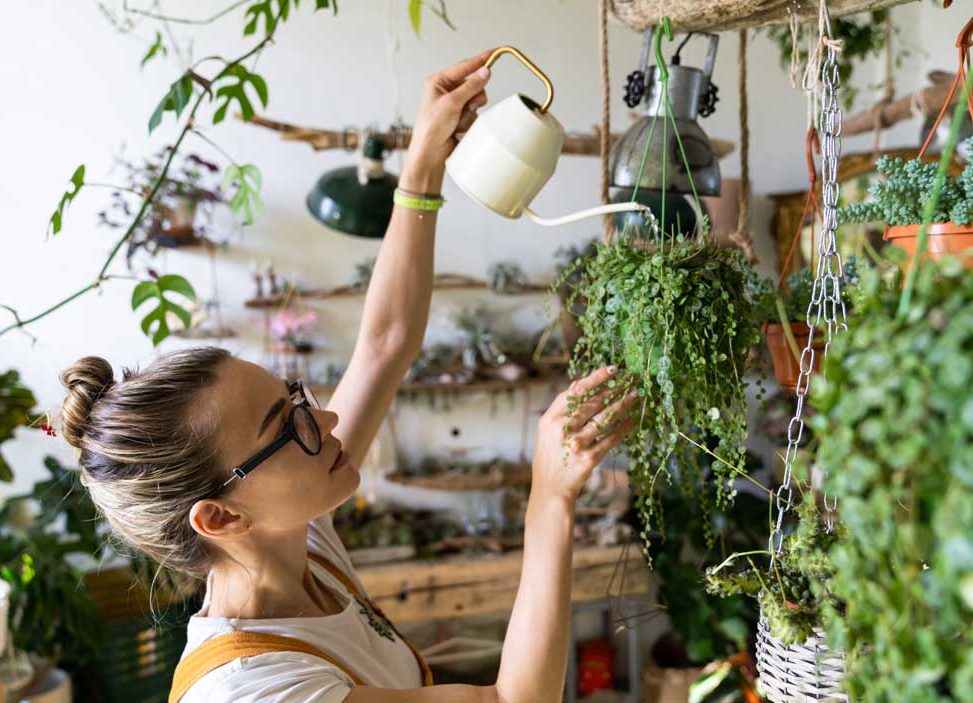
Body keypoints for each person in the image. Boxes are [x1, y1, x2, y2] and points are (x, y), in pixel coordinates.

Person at [57, 50, 639, 703]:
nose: (328, 420)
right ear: (220, 515)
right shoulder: (255, 690)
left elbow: (385, 344)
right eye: (289, 426)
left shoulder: (297, 537)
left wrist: (421, 166)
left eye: (296, 398)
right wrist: (549, 501)